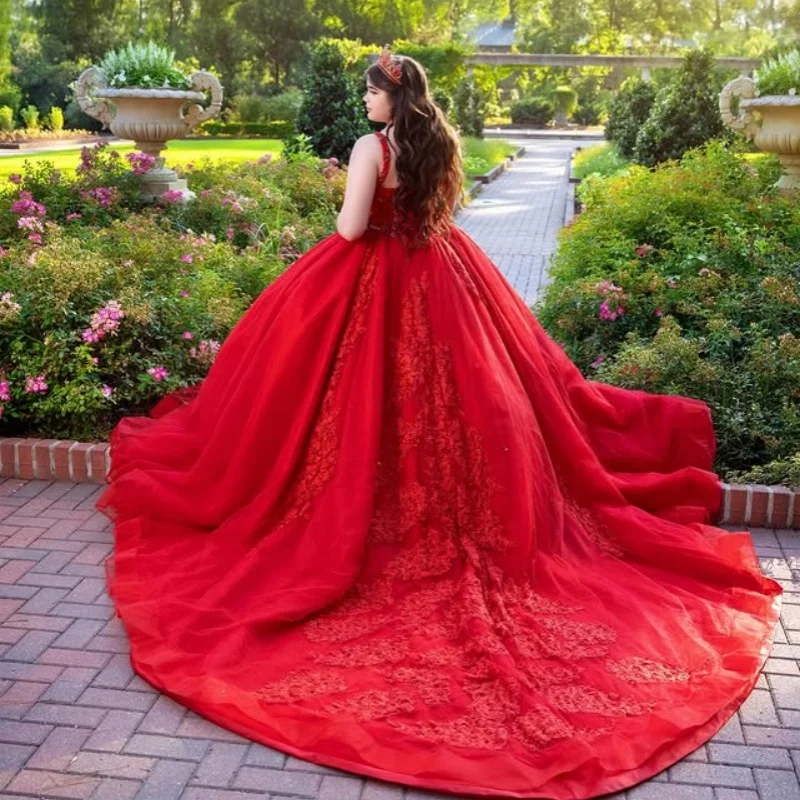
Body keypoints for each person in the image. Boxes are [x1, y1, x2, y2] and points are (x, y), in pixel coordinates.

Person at [97, 47, 782, 800]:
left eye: (370, 93)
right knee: (470, 404)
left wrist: (351, 202)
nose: (364, 103)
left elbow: (352, 230)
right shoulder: (440, 143)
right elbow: (437, 215)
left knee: (346, 410)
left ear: (391, 99)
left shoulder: (370, 149)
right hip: (442, 274)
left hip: (369, 279)